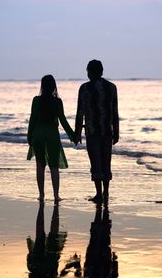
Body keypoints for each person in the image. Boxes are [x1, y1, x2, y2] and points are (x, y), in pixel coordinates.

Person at [75, 60, 119, 203]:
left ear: (90, 72)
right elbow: (115, 112)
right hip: (107, 131)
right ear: (101, 71)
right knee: (106, 162)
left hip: (92, 132)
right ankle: (106, 192)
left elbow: (80, 112)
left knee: (96, 163)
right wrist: (116, 131)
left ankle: (99, 194)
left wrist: (77, 133)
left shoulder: (85, 88)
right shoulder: (112, 87)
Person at [27, 75, 75, 202]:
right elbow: (63, 121)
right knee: (54, 167)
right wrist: (73, 135)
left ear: (42, 86)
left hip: (38, 135)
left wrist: (29, 135)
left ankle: (41, 195)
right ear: (54, 86)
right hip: (52, 136)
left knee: (40, 165)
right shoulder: (57, 102)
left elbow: (32, 119)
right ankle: (56, 195)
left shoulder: (36, 100)